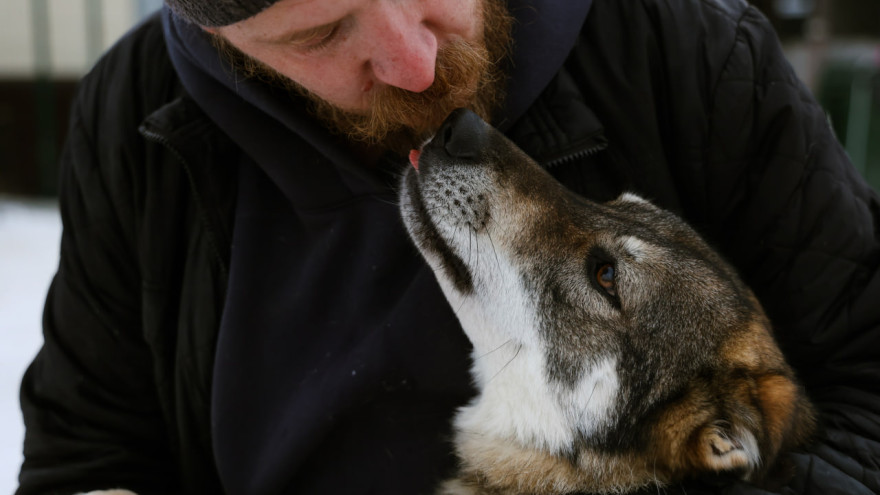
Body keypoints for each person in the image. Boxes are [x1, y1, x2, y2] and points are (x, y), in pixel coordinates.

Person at [16, 0, 880, 494]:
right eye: (321, 34)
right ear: (218, 35)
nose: (416, 62)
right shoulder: (133, 118)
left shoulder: (684, 49)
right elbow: (86, 458)